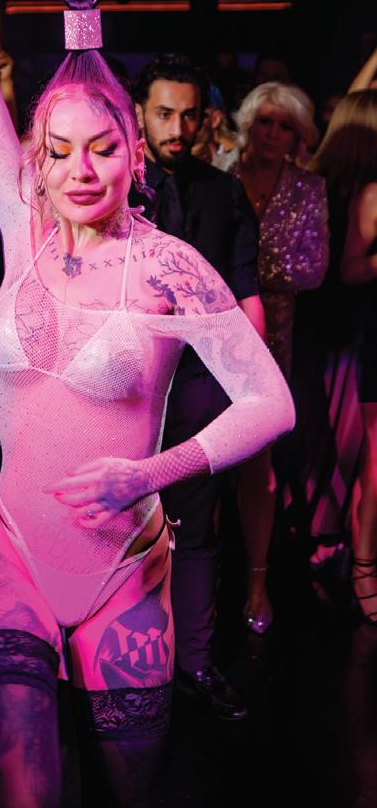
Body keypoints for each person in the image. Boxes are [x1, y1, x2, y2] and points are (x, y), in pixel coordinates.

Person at [0, 0, 294, 808]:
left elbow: (271, 401)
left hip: (123, 570)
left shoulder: (170, 266)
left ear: (133, 149)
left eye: (101, 148)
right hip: (10, 550)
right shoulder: (22, 226)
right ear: (37, 157)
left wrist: (153, 472)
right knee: (23, 792)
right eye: (58, 151)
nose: (79, 171)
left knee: (131, 792)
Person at [132, 54, 264, 719]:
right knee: (123, 526)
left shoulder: (222, 191)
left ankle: (194, 664)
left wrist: (250, 384)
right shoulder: (115, 186)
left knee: (196, 527)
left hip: (198, 385)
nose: (177, 129)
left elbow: (246, 294)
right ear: (139, 113)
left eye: (188, 115)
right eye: (164, 113)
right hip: (124, 387)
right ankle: (123, 668)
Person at [232, 82, 329, 629]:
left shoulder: (308, 188)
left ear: (299, 135)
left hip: (274, 339)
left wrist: (243, 270)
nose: (272, 133)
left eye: (285, 126)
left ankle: (256, 582)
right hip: (215, 329)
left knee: (259, 462)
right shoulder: (221, 174)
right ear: (249, 123)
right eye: (265, 121)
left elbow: (312, 270)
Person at [312, 91, 377, 623]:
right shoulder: (357, 194)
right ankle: (342, 554)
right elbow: (350, 271)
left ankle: (335, 549)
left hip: (337, 333)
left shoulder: (324, 182)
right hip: (348, 335)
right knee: (350, 452)